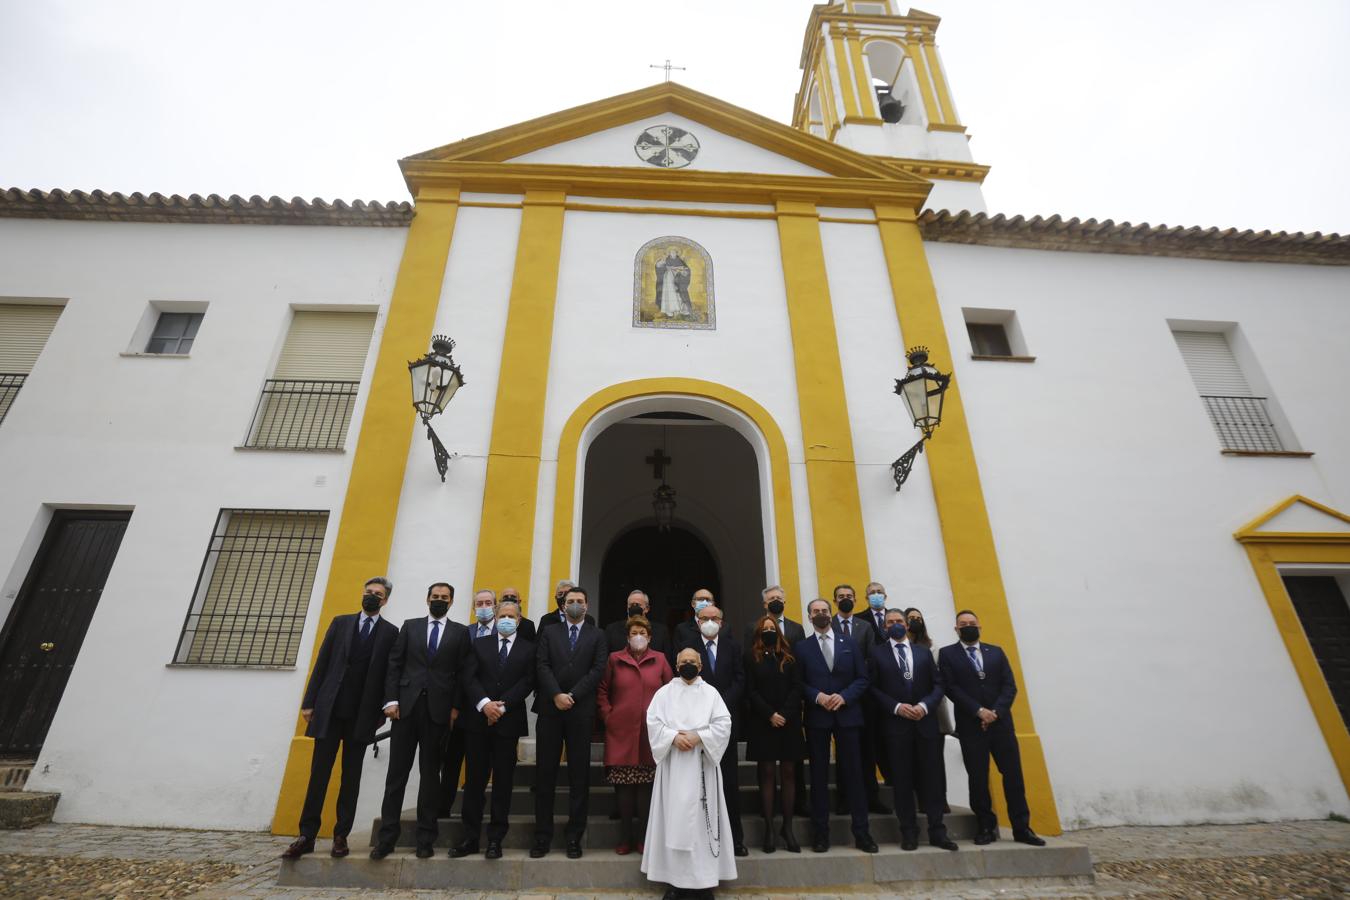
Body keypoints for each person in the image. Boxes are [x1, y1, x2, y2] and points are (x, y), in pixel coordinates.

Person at [282, 577, 399, 860]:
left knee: (351, 778)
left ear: (385, 601)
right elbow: (322, 663)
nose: (372, 596)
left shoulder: (390, 632)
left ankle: (340, 835)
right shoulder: (340, 623)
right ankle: (306, 835)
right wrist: (309, 702)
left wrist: (385, 708)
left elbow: (389, 674)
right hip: (329, 711)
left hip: (362, 715)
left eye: (378, 594)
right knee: (318, 775)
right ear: (363, 594)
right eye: (368, 592)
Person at [372, 582, 473, 859]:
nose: (439, 600)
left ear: (451, 602)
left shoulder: (460, 632)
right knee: (396, 776)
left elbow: (462, 673)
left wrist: (454, 707)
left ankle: (425, 838)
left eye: (444, 597)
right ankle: (387, 838)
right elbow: (395, 663)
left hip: (438, 713)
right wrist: (391, 700)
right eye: (435, 597)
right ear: (427, 599)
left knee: (431, 777)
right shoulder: (410, 626)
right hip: (405, 709)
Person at [938, 610, 1046, 847]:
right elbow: (951, 688)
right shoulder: (947, 654)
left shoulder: (995, 652)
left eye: (972, 623)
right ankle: (985, 826)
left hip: (1001, 725)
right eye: (963, 624)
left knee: (1013, 777)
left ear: (980, 626)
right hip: (970, 726)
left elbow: (1010, 685)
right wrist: (979, 711)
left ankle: (1022, 827)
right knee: (978, 778)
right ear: (956, 629)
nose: (968, 627)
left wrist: (995, 712)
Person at [642, 648, 737, 899]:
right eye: (683, 662)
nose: (688, 665)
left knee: (701, 825)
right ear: (676, 665)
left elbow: (723, 723)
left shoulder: (711, 694)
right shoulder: (664, 693)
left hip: (701, 765)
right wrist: (673, 737)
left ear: (701, 666)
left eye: (692, 662)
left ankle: (704, 882)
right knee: (673, 821)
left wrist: (699, 737)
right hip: (673, 768)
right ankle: (674, 883)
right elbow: (653, 721)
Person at [451, 599, 535, 860]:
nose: (506, 620)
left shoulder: (529, 648)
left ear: (519, 620)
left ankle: (495, 839)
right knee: (474, 781)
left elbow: (528, 682)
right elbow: (469, 677)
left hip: (507, 724)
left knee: (503, 783)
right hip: (477, 721)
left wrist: (502, 707)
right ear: (496, 619)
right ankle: (470, 837)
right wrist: (485, 704)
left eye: (512, 616)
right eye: (503, 616)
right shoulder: (478, 644)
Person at [870, 608, 958, 852]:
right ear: (884, 627)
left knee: (931, 780)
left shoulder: (923, 653)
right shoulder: (877, 654)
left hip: (925, 725)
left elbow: (938, 684)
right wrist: (897, 707)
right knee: (902, 782)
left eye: (899, 621)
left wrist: (924, 706)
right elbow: (873, 689)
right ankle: (908, 832)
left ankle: (938, 831)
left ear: (907, 625)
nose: (895, 625)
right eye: (890, 622)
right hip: (896, 726)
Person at [794, 597, 877, 854]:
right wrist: (817, 697)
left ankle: (862, 833)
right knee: (818, 777)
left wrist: (844, 696)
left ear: (831, 614)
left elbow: (863, 678)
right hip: (818, 717)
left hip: (848, 715)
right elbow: (798, 682)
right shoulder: (801, 647)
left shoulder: (849, 643)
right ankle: (820, 834)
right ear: (809, 617)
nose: (821, 614)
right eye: (815, 611)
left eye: (824, 610)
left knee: (854, 774)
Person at [532, 586, 608, 859]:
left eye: (580, 601)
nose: (575, 604)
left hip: (580, 711)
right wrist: (556, 694)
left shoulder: (597, 635)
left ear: (587, 605)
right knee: (545, 775)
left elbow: (598, 669)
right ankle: (542, 836)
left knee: (579, 776)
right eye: (570, 601)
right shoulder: (550, 632)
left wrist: (573, 695)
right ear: (562, 605)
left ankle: (574, 836)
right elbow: (541, 665)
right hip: (551, 710)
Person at [597, 615, 672, 854]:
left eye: (642, 632)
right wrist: (609, 716)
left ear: (650, 636)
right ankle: (625, 837)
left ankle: (643, 838)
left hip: (651, 734)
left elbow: (672, 690)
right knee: (624, 790)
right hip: (621, 732)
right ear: (627, 637)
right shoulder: (614, 659)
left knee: (646, 789)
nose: (638, 636)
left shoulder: (660, 659)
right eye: (633, 633)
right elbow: (602, 690)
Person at [681, 603, 747, 857]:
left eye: (714, 618)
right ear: (697, 621)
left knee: (728, 782)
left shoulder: (733, 646)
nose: (709, 621)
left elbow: (740, 679)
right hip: (695, 726)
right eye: (704, 618)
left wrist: (718, 704)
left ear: (721, 622)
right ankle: (699, 839)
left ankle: (735, 838)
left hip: (724, 724)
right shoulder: (688, 647)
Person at [743, 615, 805, 853]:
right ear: (759, 633)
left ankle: (787, 828)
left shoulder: (789, 657)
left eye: (772, 628)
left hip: (788, 722)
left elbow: (797, 687)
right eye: (765, 628)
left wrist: (785, 714)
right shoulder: (750, 657)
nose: (769, 631)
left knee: (789, 772)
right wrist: (770, 714)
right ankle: (769, 827)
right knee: (767, 772)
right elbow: (751, 690)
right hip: (762, 722)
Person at [438, 588, 502, 817]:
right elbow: (459, 672)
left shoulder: (504, 633)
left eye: (488, 602)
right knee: (452, 760)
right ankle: (443, 807)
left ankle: (476, 809)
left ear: (495, 606)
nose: (484, 606)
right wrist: (454, 706)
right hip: (464, 707)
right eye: (479, 603)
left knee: (481, 765)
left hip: (492, 709)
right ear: (474, 607)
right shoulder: (466, 633)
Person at [831, 583, 888, 816]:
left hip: (863, 698)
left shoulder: (864, 627)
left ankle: (871, 796)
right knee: (843, 751)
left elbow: (871, 659)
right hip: (835, 699)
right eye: (841, 596)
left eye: (849, 596)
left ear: (855, 600)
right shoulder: (829, 624)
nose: (845, 599)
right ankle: (845, 797)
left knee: (867, 750)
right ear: (834, 601)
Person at [904, 606, 952, 812]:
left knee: (935, 760)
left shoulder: (932, 647)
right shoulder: (900, 647)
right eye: (911, 618)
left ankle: (941, 798)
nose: (915, 621)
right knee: (913, 759)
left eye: (918, 618)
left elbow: (939, 680)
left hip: (931, 710)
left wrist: (925, 704)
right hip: (908, 711)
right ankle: (920, 798)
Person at [604, 589, 673, 660]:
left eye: (638, 605)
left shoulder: (661, 631)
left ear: (647, 608)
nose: (634, 608)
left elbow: (667, 660)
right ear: (627, 608)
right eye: (631, 605)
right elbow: (606, 659)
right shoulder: (612, 630)